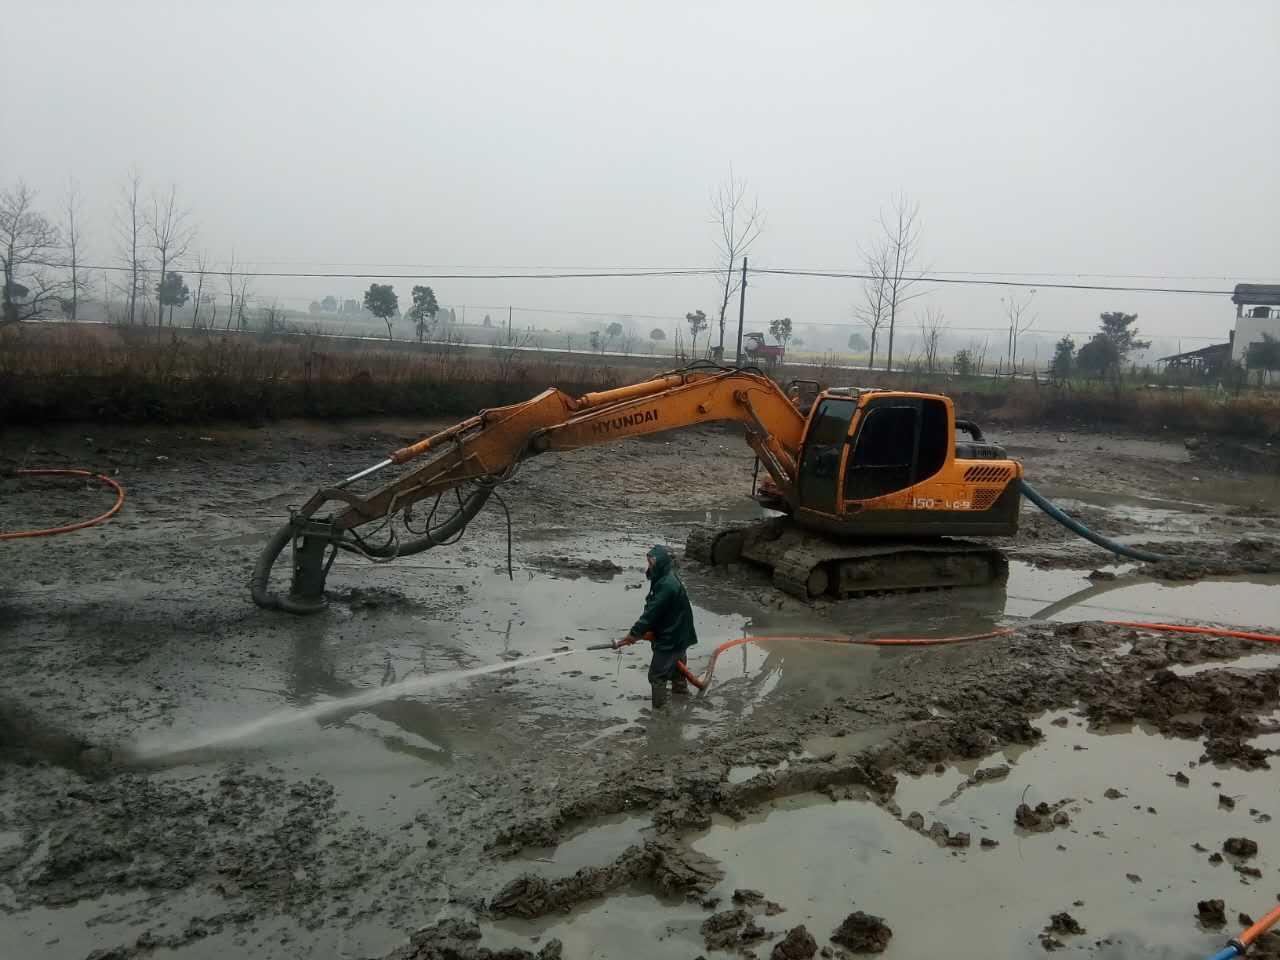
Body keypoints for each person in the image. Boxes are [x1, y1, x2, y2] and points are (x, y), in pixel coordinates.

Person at [622, 545, 698, 710]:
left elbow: (651, 613)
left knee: (657, 675)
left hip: (671, 637)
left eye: (651, 564)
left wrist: (634, 634)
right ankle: (681, 698)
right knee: (678, 669)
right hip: (679, 633)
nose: (648, 568)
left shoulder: (667, 585)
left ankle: (660, 713)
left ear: (660, 564)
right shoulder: (665, 577)